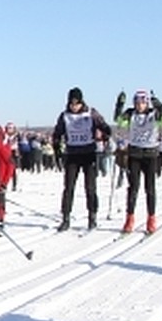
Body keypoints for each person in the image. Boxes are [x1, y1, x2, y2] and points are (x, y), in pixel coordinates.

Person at [50, 87, 110, 231]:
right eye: (71, 103)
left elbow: (106, 128)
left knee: (90, 188)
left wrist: (103, 134)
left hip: (88, 154)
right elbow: (57, 134)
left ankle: (92, 217)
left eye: (76, 103)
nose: (74, 106)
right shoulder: (64, 115)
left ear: (81, 102)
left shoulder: (91, 113)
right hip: (72, 155)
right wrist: (57, 150)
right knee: (68, 188)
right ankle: (65, 218)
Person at [112, 89, 162, 235]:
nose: (140, 105)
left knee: (150, 188)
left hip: (150, 154)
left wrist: (160, 106)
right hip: (135, 154)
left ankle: (151, 219)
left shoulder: (153, 113)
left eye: (143, 103)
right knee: (133, 187)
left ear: (147, 103)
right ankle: (129, 218)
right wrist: (119, 105)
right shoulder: (130, 114)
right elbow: (118, 121)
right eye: (137, 103)